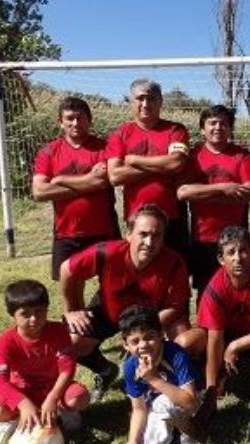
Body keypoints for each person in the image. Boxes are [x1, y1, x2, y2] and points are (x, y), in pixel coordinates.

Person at [59, 204, 191, 402]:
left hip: (151, 317)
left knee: (184, 339)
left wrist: (144, 333)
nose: (149, 242)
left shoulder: (174, 263)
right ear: (129, 234)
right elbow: (67, 270)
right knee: (70, 341)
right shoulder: (106, 253)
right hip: (109, 310)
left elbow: (176, 305)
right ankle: (105, 370)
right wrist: (72, 310)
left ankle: (182, 383)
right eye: (143, 234)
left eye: (156, 236)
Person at [175, 226, 250, 405]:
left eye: (243, 251)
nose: (238, 258)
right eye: (231, 253)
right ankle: (200, 378)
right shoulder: (215, 288)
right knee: (184, 343)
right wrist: (211, 388)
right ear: (221, 259)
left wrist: (236, 346)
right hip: (224, 338)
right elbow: (215, 338)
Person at [0, 280, 89, 444]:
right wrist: (22, 403)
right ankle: (14, 419)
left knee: (79, 398)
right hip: (22, 391)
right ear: (12, 315)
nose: (34, 319)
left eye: (39, 311)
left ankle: (63, 412)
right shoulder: (5, 341)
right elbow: (0, 380)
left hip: (53, 388)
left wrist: (53, 397)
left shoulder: (59, 331)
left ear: (47, 309)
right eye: (25, 314)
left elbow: (67, 369)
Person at [31, 97, 119, 281]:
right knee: (69, 286)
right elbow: (39, 192)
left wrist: (60, 180)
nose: (75, 123)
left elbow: (101, 182)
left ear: (89, 120)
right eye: (70, 118)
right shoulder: (49, 152)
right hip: (66, 234)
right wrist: (88, 180)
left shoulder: (105, 148)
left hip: (104, 231)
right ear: (60, 122)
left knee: (112, 284)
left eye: (80, 118)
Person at [106, 79, 191, 258]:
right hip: (136, 218)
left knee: (174, 267)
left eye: (151, 98)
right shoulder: (120, 134)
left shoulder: (176, 130)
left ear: (160, 102)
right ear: (131, 101)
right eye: (140, 98)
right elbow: (115, 176)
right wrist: (162, 165)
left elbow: (176, 163)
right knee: (140, 266)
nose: (145, 104)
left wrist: (133, 160)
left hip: (173, 217)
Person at [177, 105, 250, 291]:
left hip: (236, 238)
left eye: (223, 123)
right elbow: (183, 192)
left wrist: (201, 194)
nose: (218, 127)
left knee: (237, 287)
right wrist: (224, 188)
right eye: (212, 123)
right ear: (202, 129)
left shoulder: (242, 155)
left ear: (230, 129)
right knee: (205, 289)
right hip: (203, 237)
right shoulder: (193, 156)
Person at [121, 306, 202, 444]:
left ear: (161, 335)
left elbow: (190, 402)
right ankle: (171, 431)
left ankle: (191, 431)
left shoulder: (176, 354)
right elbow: (139, 408)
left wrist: (153, 379)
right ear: (126, 346)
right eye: (135, 341)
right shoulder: (130, 366)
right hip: (155, 406)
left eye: (149, 337)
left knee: (164, 406)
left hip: (190, 400)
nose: (143, 345)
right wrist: (132, 443)